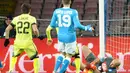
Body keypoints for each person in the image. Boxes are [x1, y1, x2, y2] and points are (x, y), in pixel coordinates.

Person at [46, 0, 94, 73]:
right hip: (70, 37)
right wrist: (87, 28)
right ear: (70, 2)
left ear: (62, 2)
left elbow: (52, 25)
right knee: (68, 56)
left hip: (60, 36)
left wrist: (59, 24)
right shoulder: (73, 12)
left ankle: (54, 71)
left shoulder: (56, 11)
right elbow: (77, 25)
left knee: (62, 54)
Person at [4, 3, 40, 73]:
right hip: (28, 43)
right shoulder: (32, 18)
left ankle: (10, 70)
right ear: (30, 10)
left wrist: (7, 39)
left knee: (14, 56)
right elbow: (35, 30)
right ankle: (36, 72)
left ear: (21, 10)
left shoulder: (16, 18)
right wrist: (38, 36)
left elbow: (7, 29)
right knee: (35, 57)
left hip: (18, 42)